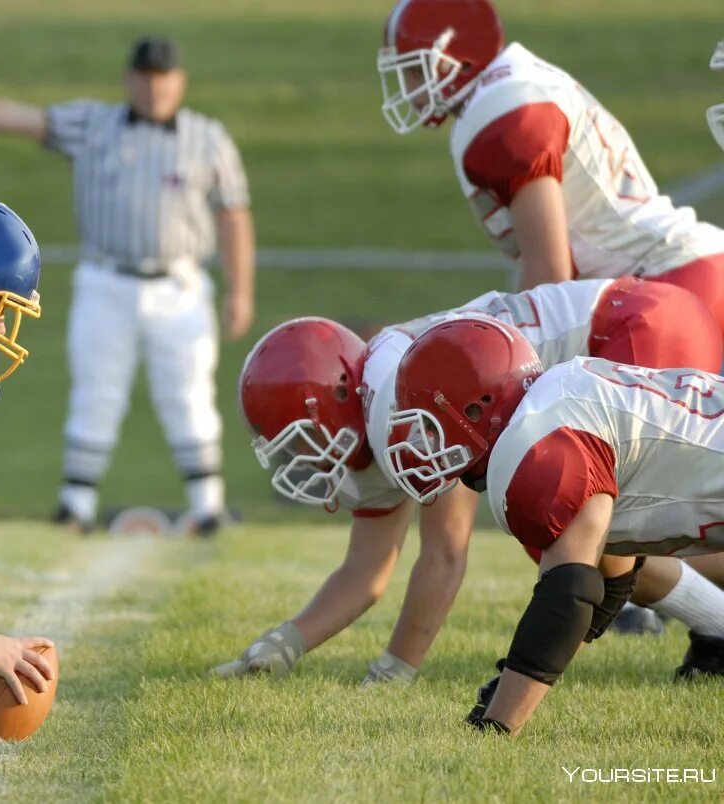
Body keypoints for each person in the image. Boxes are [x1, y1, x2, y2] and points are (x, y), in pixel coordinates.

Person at [213, 275, 724, 683]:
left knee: (589, 531)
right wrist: (281, 646)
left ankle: (714, 624)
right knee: (592, 533)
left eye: (303, 439)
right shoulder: (380, 406)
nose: (306, 457)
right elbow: (365, 571)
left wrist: (396, 670)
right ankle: (716, 624)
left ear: (342, 395)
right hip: (634, 322)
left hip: (632, 325)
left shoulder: (403, 410)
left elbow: (444, 554)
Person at [0, 35, 256, 533]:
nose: (153, 86)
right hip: (107, 278)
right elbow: (23, 119)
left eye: (163, 76)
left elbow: (233, 214)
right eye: (144, 75)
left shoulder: (208, 138)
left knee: (188, 392)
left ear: (179, 81)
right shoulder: (96, 125)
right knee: (97, 390)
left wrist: (240, 289)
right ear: (129, 79)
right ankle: (76, 504)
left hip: (180, 282)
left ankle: (208, 504)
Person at [384, 316, 724, 734]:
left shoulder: (537, 437)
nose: (426, 445)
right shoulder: (561, 397)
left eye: (429, 425)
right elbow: (609, 579)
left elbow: (569, 592)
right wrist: (516, 681)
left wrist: (497, 723)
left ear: (476, 407)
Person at [379, 0, 724, 331]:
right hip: (679, 277)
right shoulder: (514, 85)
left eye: (414, 70)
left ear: (458, 59)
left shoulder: (501, 110)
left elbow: (549, 275)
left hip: (664, 287)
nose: (409, 89)